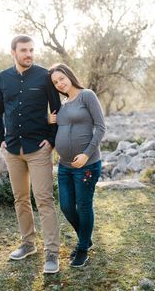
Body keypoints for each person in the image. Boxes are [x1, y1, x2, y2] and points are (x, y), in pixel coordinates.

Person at [0, 35, 61, 274]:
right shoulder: (2, 78)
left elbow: (57, 110)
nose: (29, 54)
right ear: (13, 52)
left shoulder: (44, 76)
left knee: (44, 200)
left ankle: (52, 253)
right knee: (20, 199)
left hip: (38, 150)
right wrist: (1, 139)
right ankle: (28, 243)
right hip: (12, 149)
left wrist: (50, 141)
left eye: (31, 50)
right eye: (24, 50)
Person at [48, 63, 105, 268]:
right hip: (64, 166)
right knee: (65, 206)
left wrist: (86, 154)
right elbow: (60, 129)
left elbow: (100, 127)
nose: (60, 83)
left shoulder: (86, 95)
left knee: (83, 205)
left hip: (87, 164)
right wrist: (49, 121)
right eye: (55, 82)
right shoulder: (63, 104)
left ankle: (82, 248)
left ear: (69, 75)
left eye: (61, 78)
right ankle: (85, 237)